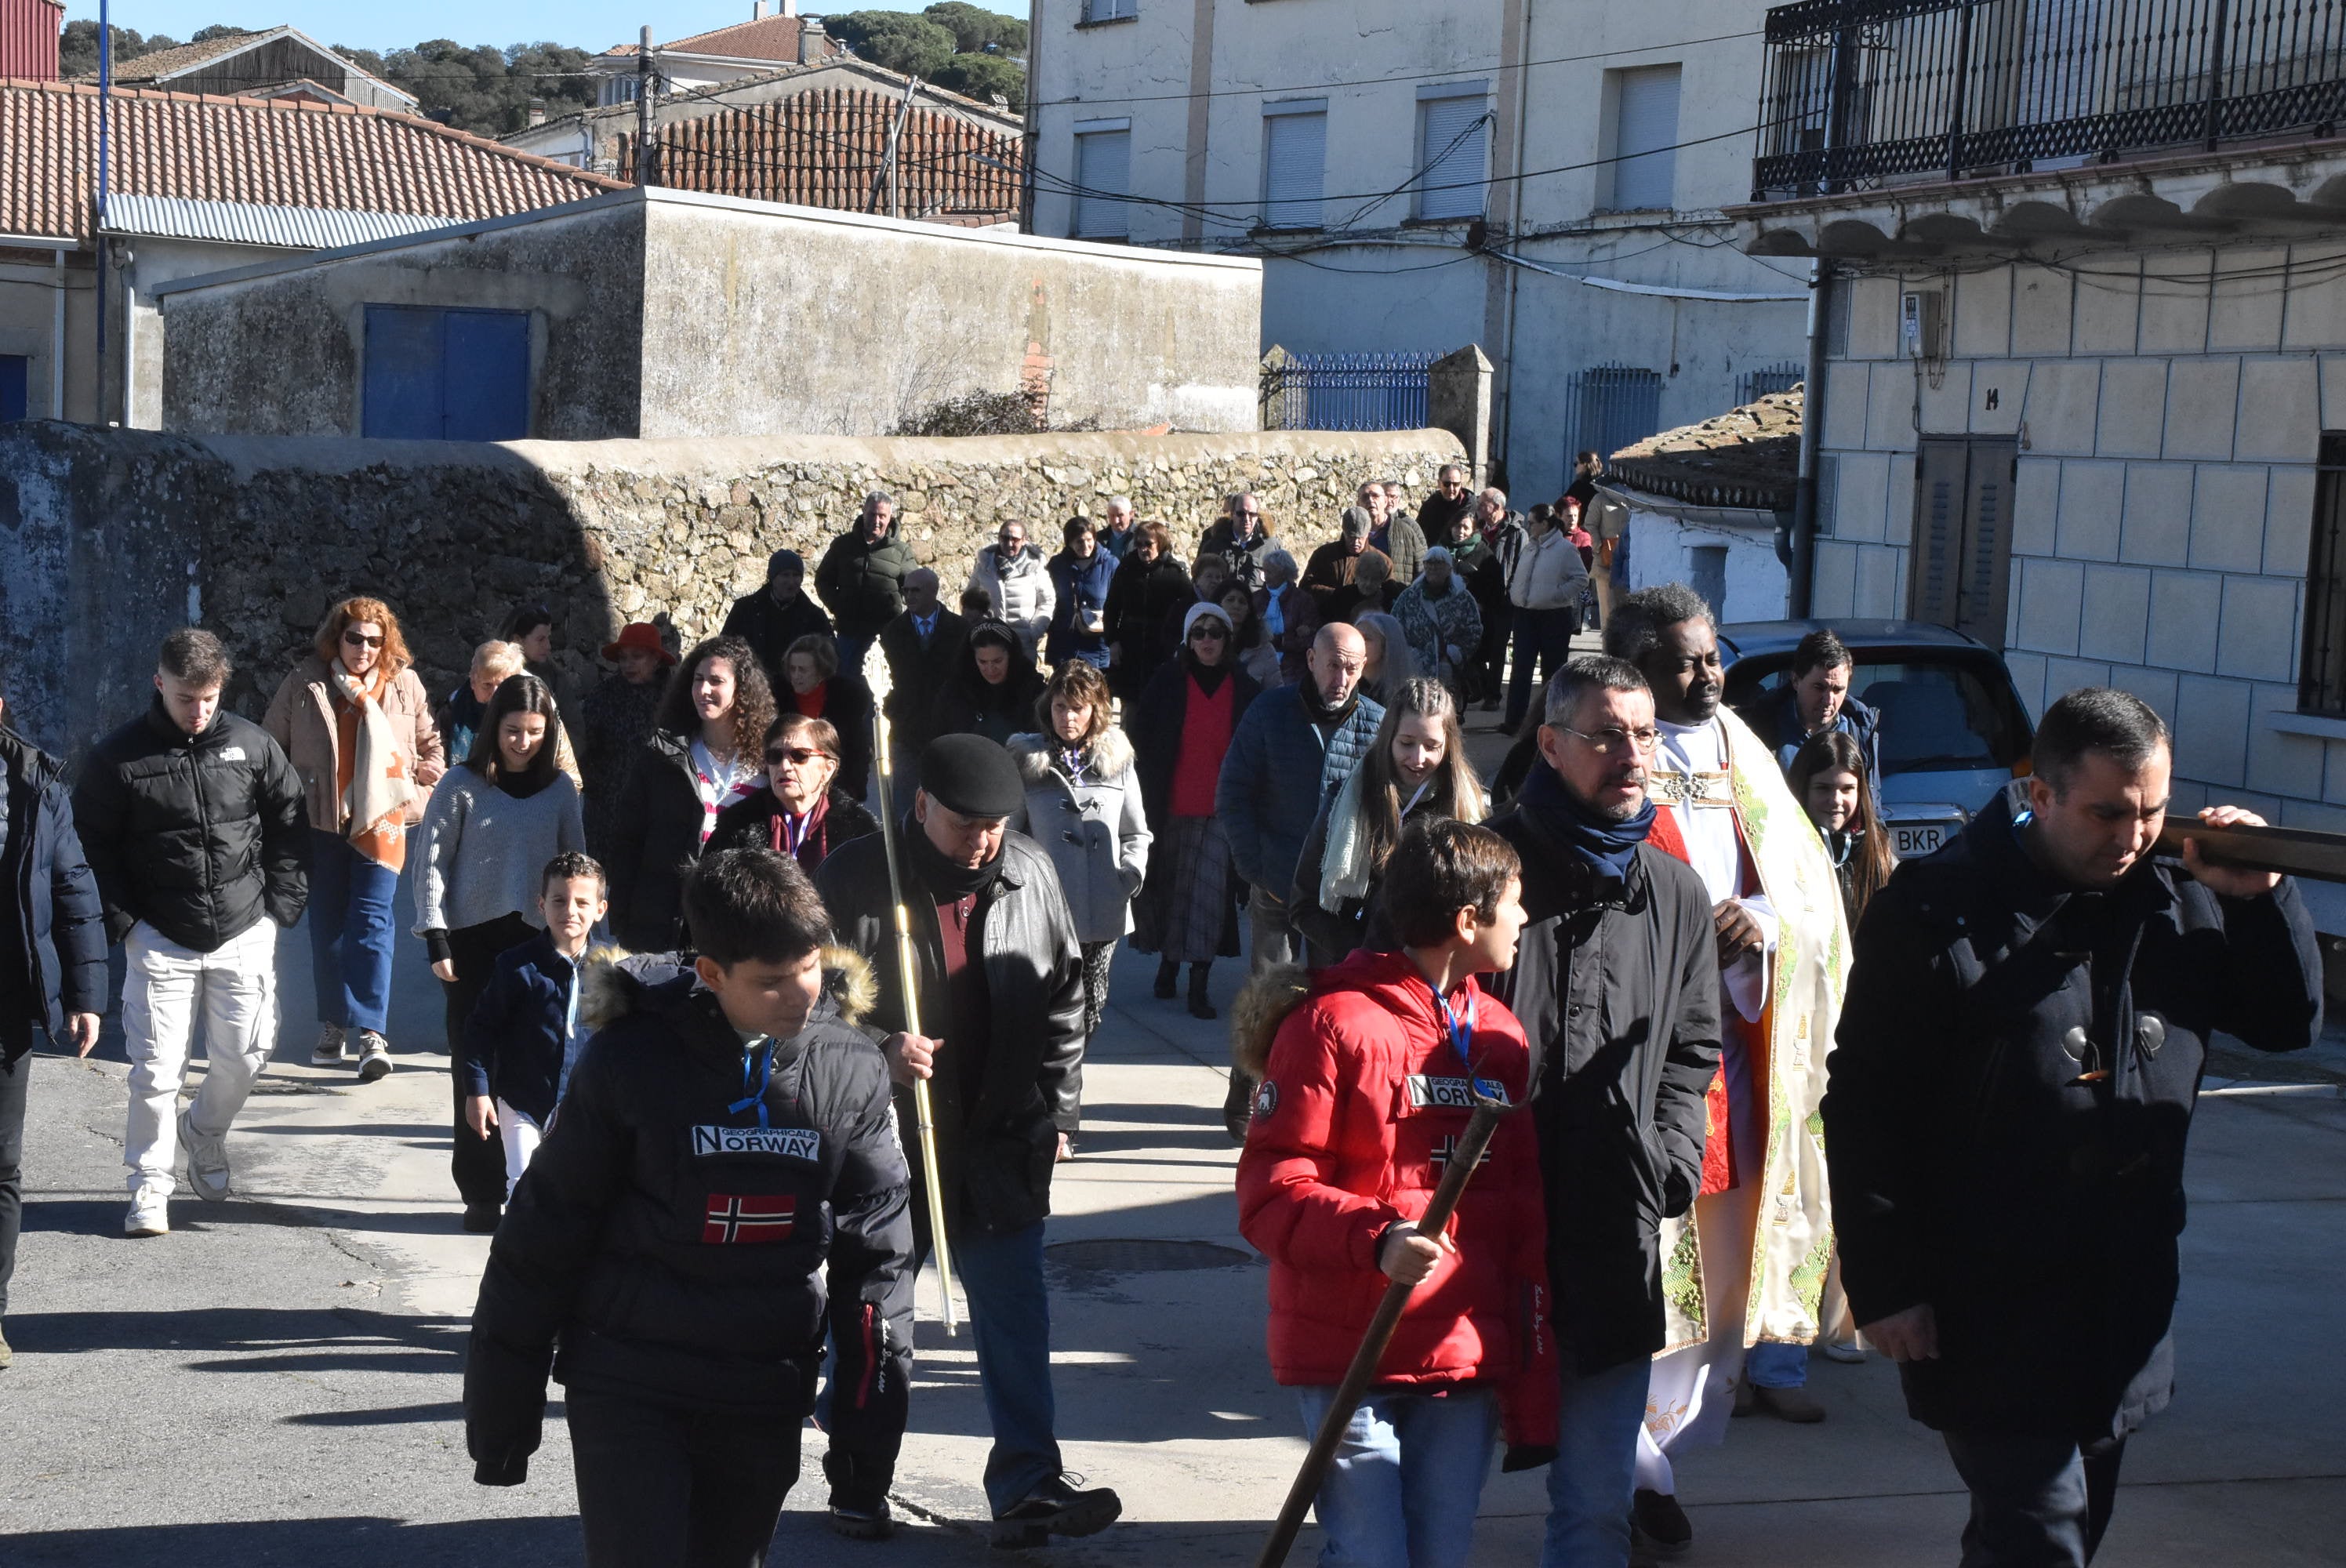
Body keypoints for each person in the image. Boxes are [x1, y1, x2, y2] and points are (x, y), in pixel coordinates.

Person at [1825, 688, 2321, 1568]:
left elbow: (2287, 1021)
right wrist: (1886, 1280)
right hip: (1985, 1302)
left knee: (2065, 1528)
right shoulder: (1937, 912)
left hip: (2122, 1294)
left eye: (2152, 810)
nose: (2132, 836)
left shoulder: (2179, 899)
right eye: (2107, 812)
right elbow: (1867, 1101)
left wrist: (2256, 899)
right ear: (2040, 793)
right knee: (2038, 1538)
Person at [464, 848, 914, 1559]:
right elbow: (543, 1235)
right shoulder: (629, 1062)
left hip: (763, 1386)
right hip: (628, 1380)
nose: (802, 993)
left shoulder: (852, 1068)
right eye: (772, 982)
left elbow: (880, 1259)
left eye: (809, 968)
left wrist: (867, 1427)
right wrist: (502, 1413)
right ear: (711, 974)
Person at [815, 735, 1122, 1550]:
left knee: (1017, 1317)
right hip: (885, 1146)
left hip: (999, 1136)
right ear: (921, 807)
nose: (983, 839)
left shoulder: (1030, 872)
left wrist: (1058, 1110)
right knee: (878, 1321)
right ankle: (858, 1476)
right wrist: (876, 1047)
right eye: (965, 823)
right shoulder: (854, 877)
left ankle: (1026, 1482)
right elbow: (797, 1006)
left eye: (995, 823)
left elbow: (1063, 1002)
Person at [1233, 818, 1554, 1568]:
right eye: (1514, 902)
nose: (1525, 919)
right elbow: (1271, 1189)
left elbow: (1523, 1215)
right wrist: (1375, 1239)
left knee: (1441, 1557)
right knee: (1372, 1556)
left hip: (1462, 1360)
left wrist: (1528, 1371)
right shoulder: (1330, 1025)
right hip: (1353, 1356)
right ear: (1467, 919)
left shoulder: (1502, 1035)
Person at [1604, 583, 1849, 1552]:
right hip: (1638, 1058)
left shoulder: (1741, 749)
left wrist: (1766, 924)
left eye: (1710, 656)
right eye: (1682, 662)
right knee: (1645, 1287)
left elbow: (1806, 892)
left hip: (1736, 1050)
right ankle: (1628, 1473)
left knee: (1719, 1293)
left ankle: (1650, 1457)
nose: (1706, 675)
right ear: (1635, 670)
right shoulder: (1607, 750)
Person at [1480, 655, 1722, 1568]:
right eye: (1606, 734)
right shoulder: (1485, 869)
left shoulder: (1674, 891)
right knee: (1434, 1497)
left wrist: (1668, 1158)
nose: (1632, 753)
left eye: (1645, 732)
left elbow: (1693, 1049)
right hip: (1484, 1238)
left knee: (1592, 1509)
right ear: (1550, 742)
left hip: (1614, 1231)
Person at [79, 628, 309, 1235]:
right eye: (186, 698)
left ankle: (203, 1131)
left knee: (248, 1056)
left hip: (244, 925)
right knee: (156, 1070)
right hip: (158, 934)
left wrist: (279, 905)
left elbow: (289, 821)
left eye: (208, 698)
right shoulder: (117, 759)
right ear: (160, 683)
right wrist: (125, 923)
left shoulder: (252, 745)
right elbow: (89, 845)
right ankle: (149, 1188)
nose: (199, 710)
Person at [413, 673, 588, 1232]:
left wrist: (577, 936)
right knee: (476, 1065)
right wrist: (435, 934)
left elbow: (575, 865)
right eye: (513, 731)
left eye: (535, 732)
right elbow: (432, 864)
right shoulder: (461, 785)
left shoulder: (560, 790)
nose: (523, 743)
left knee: (541, 1065)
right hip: (472, 945)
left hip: (540, 943)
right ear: (495, 729)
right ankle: (483, 1190)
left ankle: (538, 1185)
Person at [265, 597, 446, 1081]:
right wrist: (289, 803)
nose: (364, 648)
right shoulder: (305, 682)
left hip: (383, 821)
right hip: (321, 822)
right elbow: (270, 749)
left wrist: (422, 786)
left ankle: (371, 1032)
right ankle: (333, 1023)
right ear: (336, 637)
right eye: (354, 638)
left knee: (371, 922)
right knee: (327, 928)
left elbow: (432, 748)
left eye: (374, 640)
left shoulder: (405, 684)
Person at [0, 659, 105, 1361]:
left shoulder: (35, 785)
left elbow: (72, 887)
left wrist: (85, 997)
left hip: (7, 997)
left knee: (1, 1165)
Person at [1216, 622, 1385, 997]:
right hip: (1276, 882)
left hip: (1339, 894)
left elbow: (1387, 810)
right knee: (1271, 1004)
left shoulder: (1378, 725)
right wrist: (1253, 867)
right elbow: (1233, 792)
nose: (1341, 679)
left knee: (1334, 1001)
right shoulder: (1269, 712)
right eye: (1333, 665)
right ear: (1311, 660)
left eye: (1353, 668)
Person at [1291, 677, 1486, 967]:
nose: (1418, 758)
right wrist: (1364, 953)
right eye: (1407, 743)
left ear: (1449, 747)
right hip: (1359, 969)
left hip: (1437, 973)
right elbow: (1303, 904)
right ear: (1388, 739)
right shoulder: (1347, 800)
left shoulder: (1469, 808)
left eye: (1432, 746)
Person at [1008, 660, 1151, 1055]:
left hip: (1104, 903)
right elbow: (1011, 835)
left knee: (1092, 1005)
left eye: (1078, 708)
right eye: (1060, 707)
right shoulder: (1028, 761)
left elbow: (1135, 831)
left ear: (1096, 711)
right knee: (1048, 1001)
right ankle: (1051, 1078)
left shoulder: (1118, 761)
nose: (1068, 717)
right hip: (1046, 907)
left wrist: (1129, 875)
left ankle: (1068, 1075)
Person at [1130, 604, 1261, 1030]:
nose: (1207, 641)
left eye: (1216, 634)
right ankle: (1169, 965)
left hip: (1219, 811)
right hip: (1168, 808)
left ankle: (1199, 983)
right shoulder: (1166, 683)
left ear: (1227, 640)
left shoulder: (1244, 688)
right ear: (1188, 640)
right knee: (1170, 893)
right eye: (1199, 633)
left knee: (1207, 900)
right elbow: (1140, 741)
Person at [607, 636, 775, 953]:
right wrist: (621, 916)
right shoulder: (663, 755)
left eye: (716, 681)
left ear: (742, 690)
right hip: (658, 923)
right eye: (698, 679)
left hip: (733, 929)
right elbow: (628, 838)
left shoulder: (767, 765)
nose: (704, 690)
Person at [458, 851, 607, 1203]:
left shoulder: (614, 968)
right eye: (559, 900)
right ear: (541, 905)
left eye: (582, 902)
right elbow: (481, 1029)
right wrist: (477, 1091)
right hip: (524, 1101)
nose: (570, 911)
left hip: (586, 1106)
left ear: (601, 909)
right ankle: (518, 1257)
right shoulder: (516, 967)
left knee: (581, 1194)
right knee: (523, 1187)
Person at [709, 713, 881, 875]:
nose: (784, 766)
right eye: (775, 756)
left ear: (828, 769)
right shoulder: (735, 827)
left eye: (799, 756)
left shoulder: (860, 831)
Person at [1737, 628, 1884, 797]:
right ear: (1795, 681)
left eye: (1838, 689)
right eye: (1819, 687)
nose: (1828, 700)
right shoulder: (1759, 726)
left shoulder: (1860, 729)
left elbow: (1872, 802)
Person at [576, 623, 675, 863]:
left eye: (637, 657)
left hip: (655, 807)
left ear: (656, 659)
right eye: (623, 658)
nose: (628, 664)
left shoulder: (673, 698)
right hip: (606, 806)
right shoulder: (605, 695)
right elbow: (583, 742)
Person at [1788, 731, 1894, 930]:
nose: (1836, 800)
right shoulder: (1780, 849)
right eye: (1823, 788)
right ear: (1802, 787)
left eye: (1847, 789)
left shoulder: (1879, 851)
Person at [1504, 503, 1592, 735]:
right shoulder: (1530, 548)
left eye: (1532, 523)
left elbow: (1581, 579)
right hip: (1525, 615)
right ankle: (1514, 721)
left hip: (1554, 617)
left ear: (1545, 524)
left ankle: (1550, 722)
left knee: (1552, 674)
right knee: (1520, 670)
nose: (1528, 526)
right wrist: (1515, 593)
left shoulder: (1565, 549)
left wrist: (1556, 595)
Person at [876, 568, 969, 786]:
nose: (909, 596)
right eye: (906, 591)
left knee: (947, 792)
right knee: (906, 797)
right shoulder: (892, 632)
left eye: (916, 590)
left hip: (949, 725)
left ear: (934, 591)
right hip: (907, 728)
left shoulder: (961, 629)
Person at [815, 491, 917, 673]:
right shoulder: (842, 545)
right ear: (864, 512)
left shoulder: (901, 551)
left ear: (890, 517)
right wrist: (839, 606)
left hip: (885, 637)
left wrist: (896, 612)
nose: (876, 520)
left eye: (882, 516)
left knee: (882, 691)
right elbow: (823, 580)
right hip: (848, 635)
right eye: (872, 514)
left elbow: (914, 588)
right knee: (846, 689)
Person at [1103, 521, 1193, 702]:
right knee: (1130, 708)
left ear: (1160, 543)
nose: (1143, 549)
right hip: (1130, 647)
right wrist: (1112, 641)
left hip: (1161, 647)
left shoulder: (1174, 573)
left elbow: (1189, 607)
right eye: (1139, 544)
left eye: (1148, 544)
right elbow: (1112, 608)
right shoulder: (1126, 569)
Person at [780, 634, 876, 801]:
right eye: (792, 668)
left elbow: (857, 750)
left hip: (834, 789)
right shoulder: (779, 698)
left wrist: (854, 790)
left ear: (821, 672)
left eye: (802, 670)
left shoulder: (846, 701)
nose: (795, 675)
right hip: (789, 785)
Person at [722, 548, 835, 688]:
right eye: (785, 575)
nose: (791, 581)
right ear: (772, 578)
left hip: (796, 691)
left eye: (796, 575)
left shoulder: (814, 616)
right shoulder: (745, 609)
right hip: (753, 686)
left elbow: (830, 660)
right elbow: (725, 647)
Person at [932, 620, 1048, 750]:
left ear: (1011, 656)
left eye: (997, 661)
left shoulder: (1033, 691)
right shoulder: (955, 693)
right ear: (973, 658)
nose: (990, 669)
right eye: (983, 662)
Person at [1392, 548, 1484, 699]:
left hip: (1449, 668)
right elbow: (1394, 626)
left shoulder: (1463, 598)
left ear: (1449, 568)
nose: (1434, 567)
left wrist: (1455, 654)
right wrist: (1409, 654)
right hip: (1414, 668)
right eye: (1429, 563)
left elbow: (1474, 630)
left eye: (1439, 563)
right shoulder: (1409, 596)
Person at [1462, 488, 1525, 709]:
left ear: (1497, 507)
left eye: (1482, 504)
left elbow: (1520, 566)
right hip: (1478, 600)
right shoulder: (1477, 529)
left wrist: (1511, 594)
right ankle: (1478, 684)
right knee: (1477, 645)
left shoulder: (1516, 533)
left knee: (1498, 649)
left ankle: (1493, 696)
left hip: (1503, 601)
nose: (1477, 508)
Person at [968, 520, 1057, 660]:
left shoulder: (1036, 568)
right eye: (1005, 538)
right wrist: (979, 628)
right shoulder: (984, 567)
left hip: (1023, 646)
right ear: (999, 538)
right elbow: (970, 601)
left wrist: (1033, 632)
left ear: (1024, 540)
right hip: (991, 646)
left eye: (1015, 539)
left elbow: (1047, 603)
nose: (1009, 544)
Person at [1044, 517, 1116, 670]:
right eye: (1079, 541)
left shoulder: (1110, 564)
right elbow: (1047, 600)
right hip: (1065, 646)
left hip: (1097, 648)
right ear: (1069, 542)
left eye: (1089, 540)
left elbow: (1121, 603)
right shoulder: (1057, 565)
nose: (1085, 545)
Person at [440, 641, 524, 764]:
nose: (495, 693)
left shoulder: (529, 710)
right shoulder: (453, 709)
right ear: (473, 682)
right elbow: (436, 747)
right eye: (487, 685)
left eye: (502, 685)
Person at [502, 603, 583, 717]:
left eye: (548, 638)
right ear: (517, 640)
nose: (548, 646)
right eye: (540, 639)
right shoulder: (492, 677)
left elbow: (574, 726)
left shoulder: (555, 677)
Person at [1302, 507, 1377, 623]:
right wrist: (1337, 595)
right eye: (1351, 537)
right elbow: (1305, 587)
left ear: (1368, 534)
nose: (1356, 542)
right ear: (1344, 532)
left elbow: (1387, 596)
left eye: (1360, 537)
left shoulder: (1379, 560)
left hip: (1362, 627)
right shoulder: (1323, 555)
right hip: (1327, 625)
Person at [1255, 546, 1316, 686]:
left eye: (1270, 572)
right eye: (1265, 571)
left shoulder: (1302, 600)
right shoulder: (1256, 599)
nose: (1266, 576)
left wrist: (1282, 642)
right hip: (1260, 664)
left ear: (1283, 573)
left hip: (1293, 669)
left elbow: (1310, 638)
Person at [1199, 491, 1273, 592]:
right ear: (1232, 513)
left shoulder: (1271, 547)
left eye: (1252, 514)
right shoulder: (1214, 545)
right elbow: (1199, 583)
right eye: (1241, 513)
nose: (1247, 519)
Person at [1352, 609, 1418, 713]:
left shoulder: (1406, 696)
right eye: (1356, 636)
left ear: (1386, 646)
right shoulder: (1348, 688)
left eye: (1366, 638)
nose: (1358, 643)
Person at [1364, 479, 1426, 586]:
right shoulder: (1358, 530)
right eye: (1387, 496)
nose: (1390, 501)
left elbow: (1422, 561)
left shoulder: (1408, 527)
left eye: (1393, 497)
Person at [1220, 583, 1283, 689]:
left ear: (1249, 610)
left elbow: (1276, 694)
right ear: (1218, 604)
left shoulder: (1264, 649)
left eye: (1242, 602)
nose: (1236, 605)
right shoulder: (1203, 641)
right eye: (1230, 600)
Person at [1329, 548, 1400, 627]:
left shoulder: (1389, 601)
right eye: (1365, 578)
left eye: (1374, 579)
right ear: (1356, 575)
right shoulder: (1342, 597)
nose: (1368, 583)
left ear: (1381, 580)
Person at [1416, 464, 1476, 549]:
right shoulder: (1430, 506)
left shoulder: (1469, 505)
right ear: (1439, 483)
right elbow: (1418, 532)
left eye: (1456, 484)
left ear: (1461, 484)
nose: (1451, 489)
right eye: (1447, 484)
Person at [1098, 494, 1138, 560]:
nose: (1116, 521)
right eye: (1112, 515)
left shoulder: (1140, 537)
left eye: (1120, 515)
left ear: (1131, 514)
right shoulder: (1099, 538)